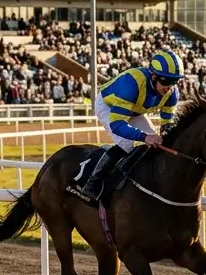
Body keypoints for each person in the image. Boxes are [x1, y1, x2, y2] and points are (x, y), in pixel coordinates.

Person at [73, 49, 184, 201]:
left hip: (134, 110)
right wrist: (144, 136)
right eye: (165, 81)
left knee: (156, 144)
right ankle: (93, 183)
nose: (169, 87)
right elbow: (117, 125)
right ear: (154, 76)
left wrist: (166, 133)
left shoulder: (172, 93)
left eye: (174, 81)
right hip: (108, 106)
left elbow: (167, 122)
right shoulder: (131, 84)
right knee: (126, 143)